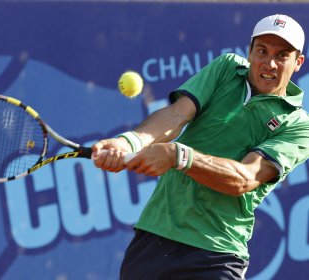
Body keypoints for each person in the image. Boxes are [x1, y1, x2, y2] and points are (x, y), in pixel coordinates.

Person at [93, 14, 309, 280]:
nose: (269, 63)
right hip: (154, 236)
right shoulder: (226, 68)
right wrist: (129, 141)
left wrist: (179, 156)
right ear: (250, 51)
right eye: (262, 51)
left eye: (282, 55)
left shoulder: (299, 127)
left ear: (298, 62)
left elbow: (245, 177)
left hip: (216, 253)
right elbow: (176, 115)